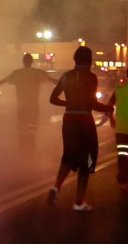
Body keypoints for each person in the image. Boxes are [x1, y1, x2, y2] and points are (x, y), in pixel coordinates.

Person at [45, 46, 113, 211]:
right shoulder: (91, 77)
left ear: (75, 59)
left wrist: (68, 103)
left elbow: (53, 98)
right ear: (89, 60)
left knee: (68, 155)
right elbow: (92, 104)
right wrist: (108, 108)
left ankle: (56, 187)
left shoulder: (66, 76)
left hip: (69, 121)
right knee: (87, 160)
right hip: (85, 122)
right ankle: (79, 201)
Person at [0, 53, 58, 154]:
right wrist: (67, 87)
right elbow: (53, 81)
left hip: (22, 107)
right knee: (32, 130)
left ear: (23, 62)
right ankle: (31, 150)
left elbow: (2, 81)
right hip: (33, 107)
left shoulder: (18, 73)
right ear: (31, 61)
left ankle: (23, 151)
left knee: (22, 130)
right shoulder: (37, 73)